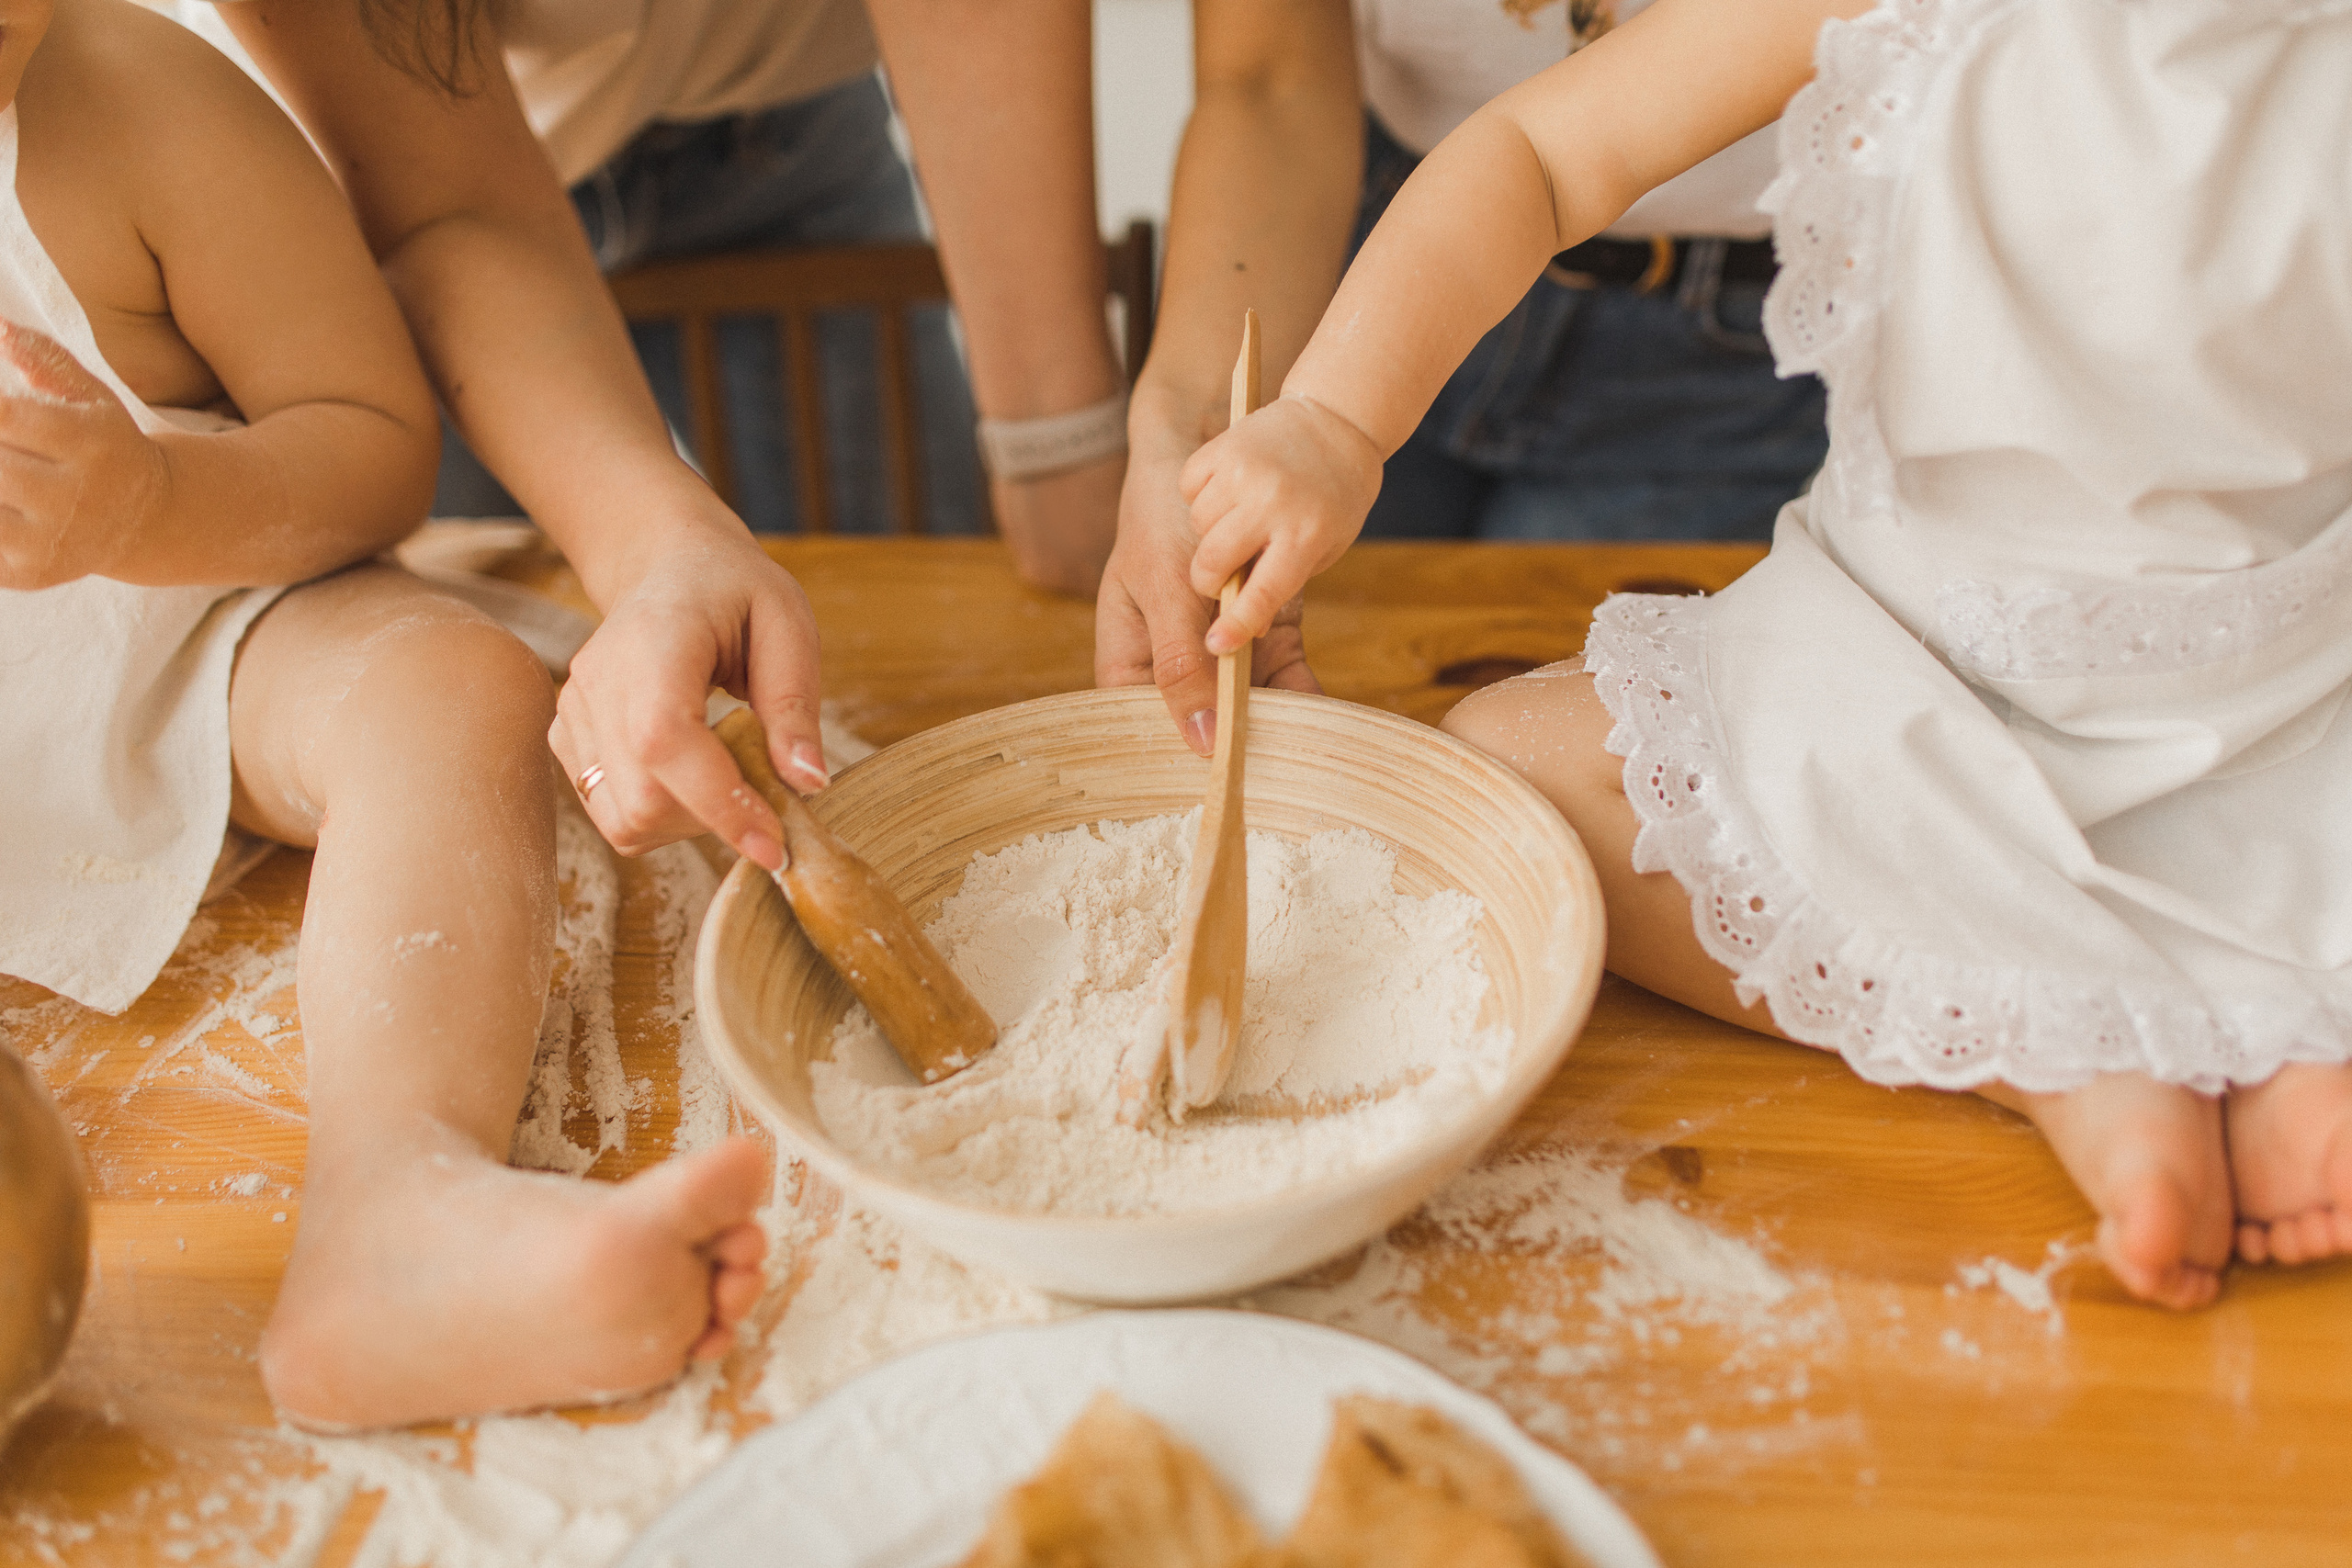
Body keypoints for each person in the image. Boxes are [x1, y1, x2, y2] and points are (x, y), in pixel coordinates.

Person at [1178, 0, 2352, 1307]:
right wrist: (1333, 419)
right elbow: (1543, 156)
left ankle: (2154, 1037)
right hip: (1911, 666)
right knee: (1514, 772)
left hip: (2265, 712)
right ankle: (2091, 1047)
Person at [0, 0, 766, 1427]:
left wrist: (145, 503)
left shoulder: (141, 108)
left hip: (192, 645)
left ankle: (394, 1216)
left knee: (453, 682)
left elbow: (373, 449)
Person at [206, 0, 1130, 867]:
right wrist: (660, 551)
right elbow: (448, 206)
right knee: (474, 679)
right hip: (390, 159)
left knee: (949, 623)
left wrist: (1057, 443)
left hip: (778, 118)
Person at [1098, 0, 1828, 755]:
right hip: (1389, 265)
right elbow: (1537, 160)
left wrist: (1330, 420)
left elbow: (1544, 159)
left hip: (1732, 368)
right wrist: (1292, 420)